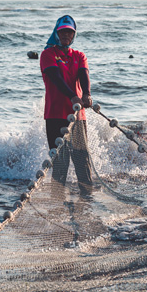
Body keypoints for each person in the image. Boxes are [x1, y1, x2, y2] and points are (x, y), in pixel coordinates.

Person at [40, 15, 93, 185]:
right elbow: (56, 79)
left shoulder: (79, 56)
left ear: (74, 35)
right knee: (60, 162)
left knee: (82, 161)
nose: (66, 36)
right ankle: (57, 204)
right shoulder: (48, 54)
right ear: (57, 33)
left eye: (69, 32)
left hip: (77, 116)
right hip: (55, 115)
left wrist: (86, 94)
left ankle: (86, 200)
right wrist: (72, 96)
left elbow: (84, 75)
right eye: (62, 32)